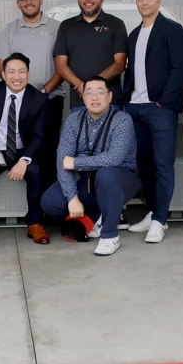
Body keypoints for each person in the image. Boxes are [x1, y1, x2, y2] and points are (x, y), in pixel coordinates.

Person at [121, 0, 183, 243]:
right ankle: (152, 213)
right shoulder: (134, 34)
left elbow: (180, 68)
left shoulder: (172, 29)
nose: (145, 2)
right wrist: (127, 101)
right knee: (144, 165)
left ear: (159, 1)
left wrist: (164, 101)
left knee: (163, 164)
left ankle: (161, 220)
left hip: (160, 109)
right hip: (135, 109)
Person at [41, 77, 139, 257]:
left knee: (107, 174)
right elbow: (63, 160)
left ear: (110, 96)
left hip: (119, 180)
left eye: (100, 92)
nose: (95, 97)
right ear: (83, 97)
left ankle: (110, 235)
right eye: (89, 93)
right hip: (85, 181)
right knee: (50, 202)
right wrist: (72, 198)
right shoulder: (73, 120)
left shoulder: (122, 120)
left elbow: (114, 158)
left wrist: (76, 162)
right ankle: (98, 214)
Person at [0, 0, 64, 187]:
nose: (28, 2)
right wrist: (24, 94)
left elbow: (63, 67)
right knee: (24, 151)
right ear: (18, 3)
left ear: (41, 0)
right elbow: (0, 68)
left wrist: (43, 92)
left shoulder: (57, 28)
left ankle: (48, 202)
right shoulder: (8, 30)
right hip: (18, 103)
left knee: (48, 152)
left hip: (50, 99)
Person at [0, 53, 50, 246]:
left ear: (28, 74)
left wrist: (24, 160)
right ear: (3, 73)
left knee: (37, 171)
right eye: (11, 72)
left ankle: (34, 223)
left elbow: (39, 135)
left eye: (21, 72)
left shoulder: (39, 99)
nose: (16, 76)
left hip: (22, 150)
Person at [54, 0, 128, 110]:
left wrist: (90, 86)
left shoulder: (116, 24)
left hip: (110, 101)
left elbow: (120, 64)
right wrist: (82, 86)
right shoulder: (66, 26)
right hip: (79, 101)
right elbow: (61, 66)